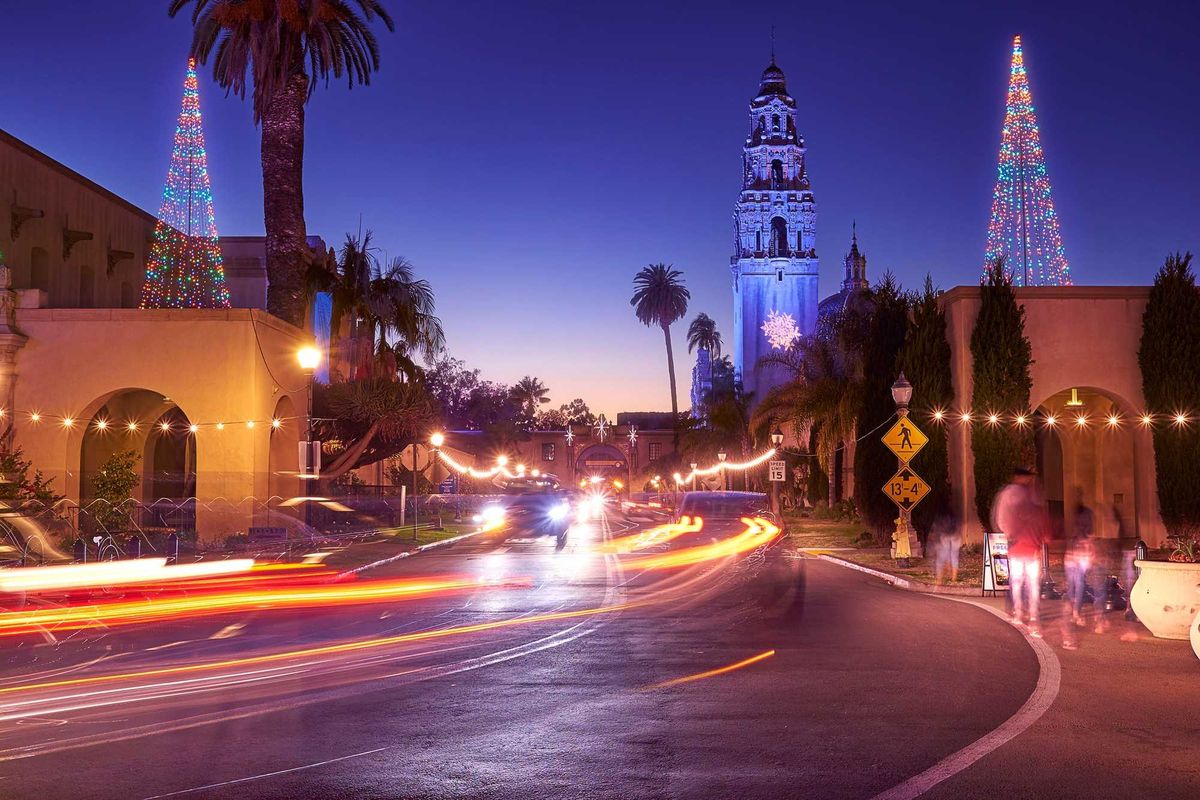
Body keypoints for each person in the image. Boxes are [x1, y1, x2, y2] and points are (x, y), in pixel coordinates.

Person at [992, 467, 1050, 637]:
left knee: (1018, 584)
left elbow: (1003, 519)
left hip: (1018, 549)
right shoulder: (1035, 502)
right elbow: (1045, 529)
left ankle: (1019, 614)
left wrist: (1008, 535)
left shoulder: (1011, 498)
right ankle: (1033, 620)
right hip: (1031, 550)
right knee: (1032, 587)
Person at [1062, 488, 1095, 649]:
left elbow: (1087, 533)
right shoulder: (1079, 513)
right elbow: (1088, 533)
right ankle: (1075, 612)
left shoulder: (1077, 514)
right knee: (1076, 583)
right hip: (1076, 553)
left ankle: (1075, 612)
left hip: (1077, 552)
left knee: (1077, 583)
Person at [930, 510, 961, 585]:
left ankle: (939, 580)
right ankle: (953, 579)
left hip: (945, 537)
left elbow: (936, 530)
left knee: (941, 558)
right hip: (955, 537)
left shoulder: (939, 517)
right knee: (954, 557)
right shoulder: (953, 516)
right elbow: (958, 527)